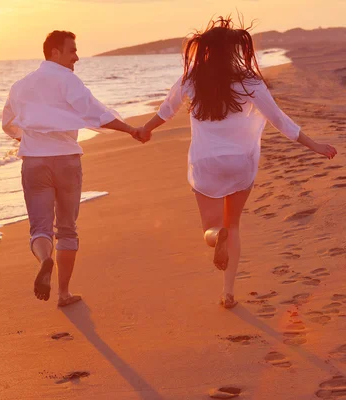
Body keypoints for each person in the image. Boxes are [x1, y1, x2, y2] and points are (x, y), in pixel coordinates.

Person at [139, 17, 337, 309]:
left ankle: (214, 236)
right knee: (234, 225)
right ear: (233, 50)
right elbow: (279, 120)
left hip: (206, 162)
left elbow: (166, 111)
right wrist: (314, 145)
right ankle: (228, 292)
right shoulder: (250, 81)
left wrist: (145, 129)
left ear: (205, 50)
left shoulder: (191, 79)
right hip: (240, 162)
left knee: (212, 228)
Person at [2, 30, 149, 307]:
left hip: (34, 161)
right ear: (54, 52)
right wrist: (130, 129)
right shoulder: (67, 80)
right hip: (67, 161)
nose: (77, 58)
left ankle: (45, 260)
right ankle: (63, 293)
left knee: (40, 229)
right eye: (72, 51)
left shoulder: (19, 86)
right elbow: (96, 113)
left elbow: (8, 123)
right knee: (67, 229)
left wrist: (28, 138)